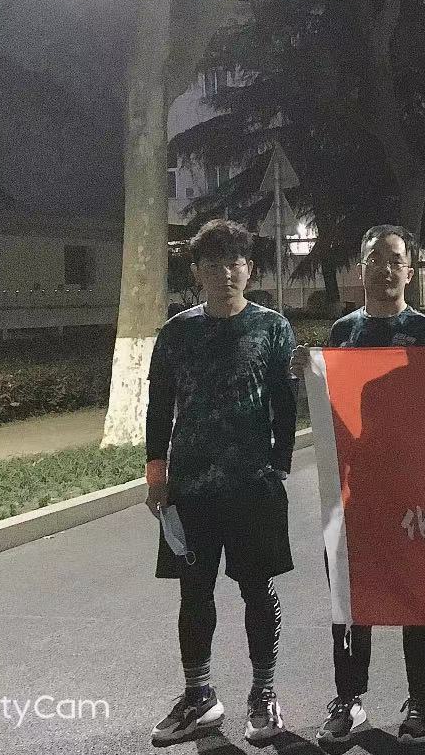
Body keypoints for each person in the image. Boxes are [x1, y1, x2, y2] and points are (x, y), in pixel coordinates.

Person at [146, 219, 298, 747]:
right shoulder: (177, 332)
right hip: (191, 487)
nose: (225, 274)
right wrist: (157, 471)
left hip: (253, 485)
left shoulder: (272, 328)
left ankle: (263, 693)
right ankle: (199, 695)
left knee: (258, 589)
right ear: (197, 273)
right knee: (194, 592)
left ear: (249, 270)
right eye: (213, 265)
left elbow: (285, 403)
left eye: (235, 263)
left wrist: (280, 464)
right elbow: (158, 407)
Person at [310, 225, 425, 746]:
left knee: (419, 597)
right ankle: (348, 697)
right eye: (375, 259)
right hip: (354, 490)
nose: (385, 269)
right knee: (349, 598)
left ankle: (421, 698)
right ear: (360, 268)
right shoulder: (343, 332)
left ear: (409, 271)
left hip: (414, 487)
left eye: (395, 260)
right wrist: (309, 373)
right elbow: (332, 406)